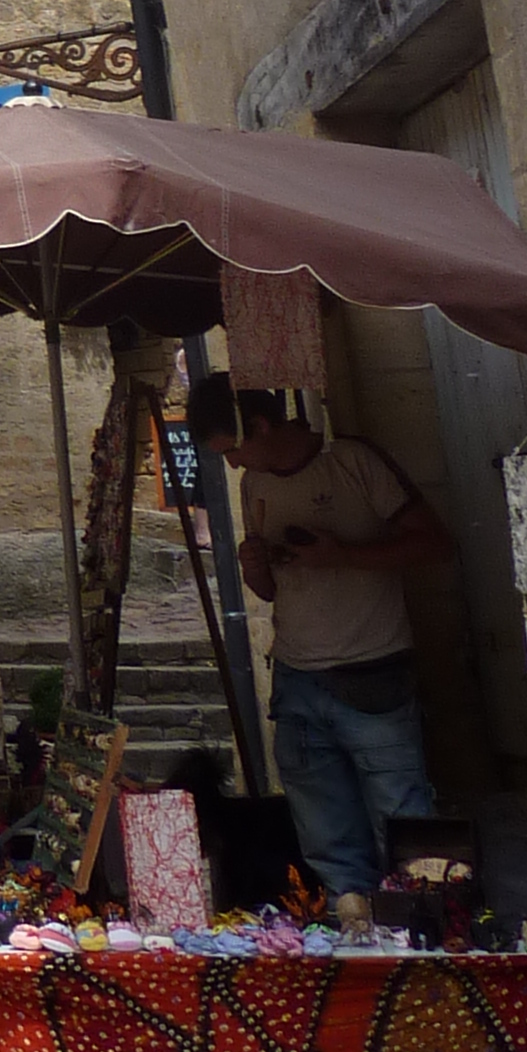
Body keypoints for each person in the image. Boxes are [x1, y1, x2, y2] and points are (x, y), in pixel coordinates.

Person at [187, 376, 450, 918]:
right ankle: (351, 928)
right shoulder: (254, 484)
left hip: (372, 672)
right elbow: (269, 591)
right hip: (297, 677)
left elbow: (436, 543)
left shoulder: (350, 462)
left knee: (404, 828)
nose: (234, 464)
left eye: (232, 449)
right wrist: (257, 569)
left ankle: (425, 934)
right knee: (325, 833)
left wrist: (344, 556)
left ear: (259, 426)